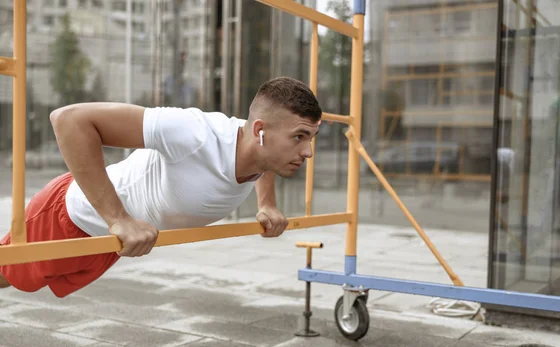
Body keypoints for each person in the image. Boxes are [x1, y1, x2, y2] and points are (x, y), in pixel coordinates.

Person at [0, 76, 322, 298]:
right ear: (261, 132)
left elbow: (262, 161)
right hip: (69, 217)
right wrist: (118, 219)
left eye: (311, 138)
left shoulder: (253, 140)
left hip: (114, 239)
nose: (308, 151)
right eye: (299, 137)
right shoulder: (193, 133)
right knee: (4, 278)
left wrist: (266, 203)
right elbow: (68, 119)